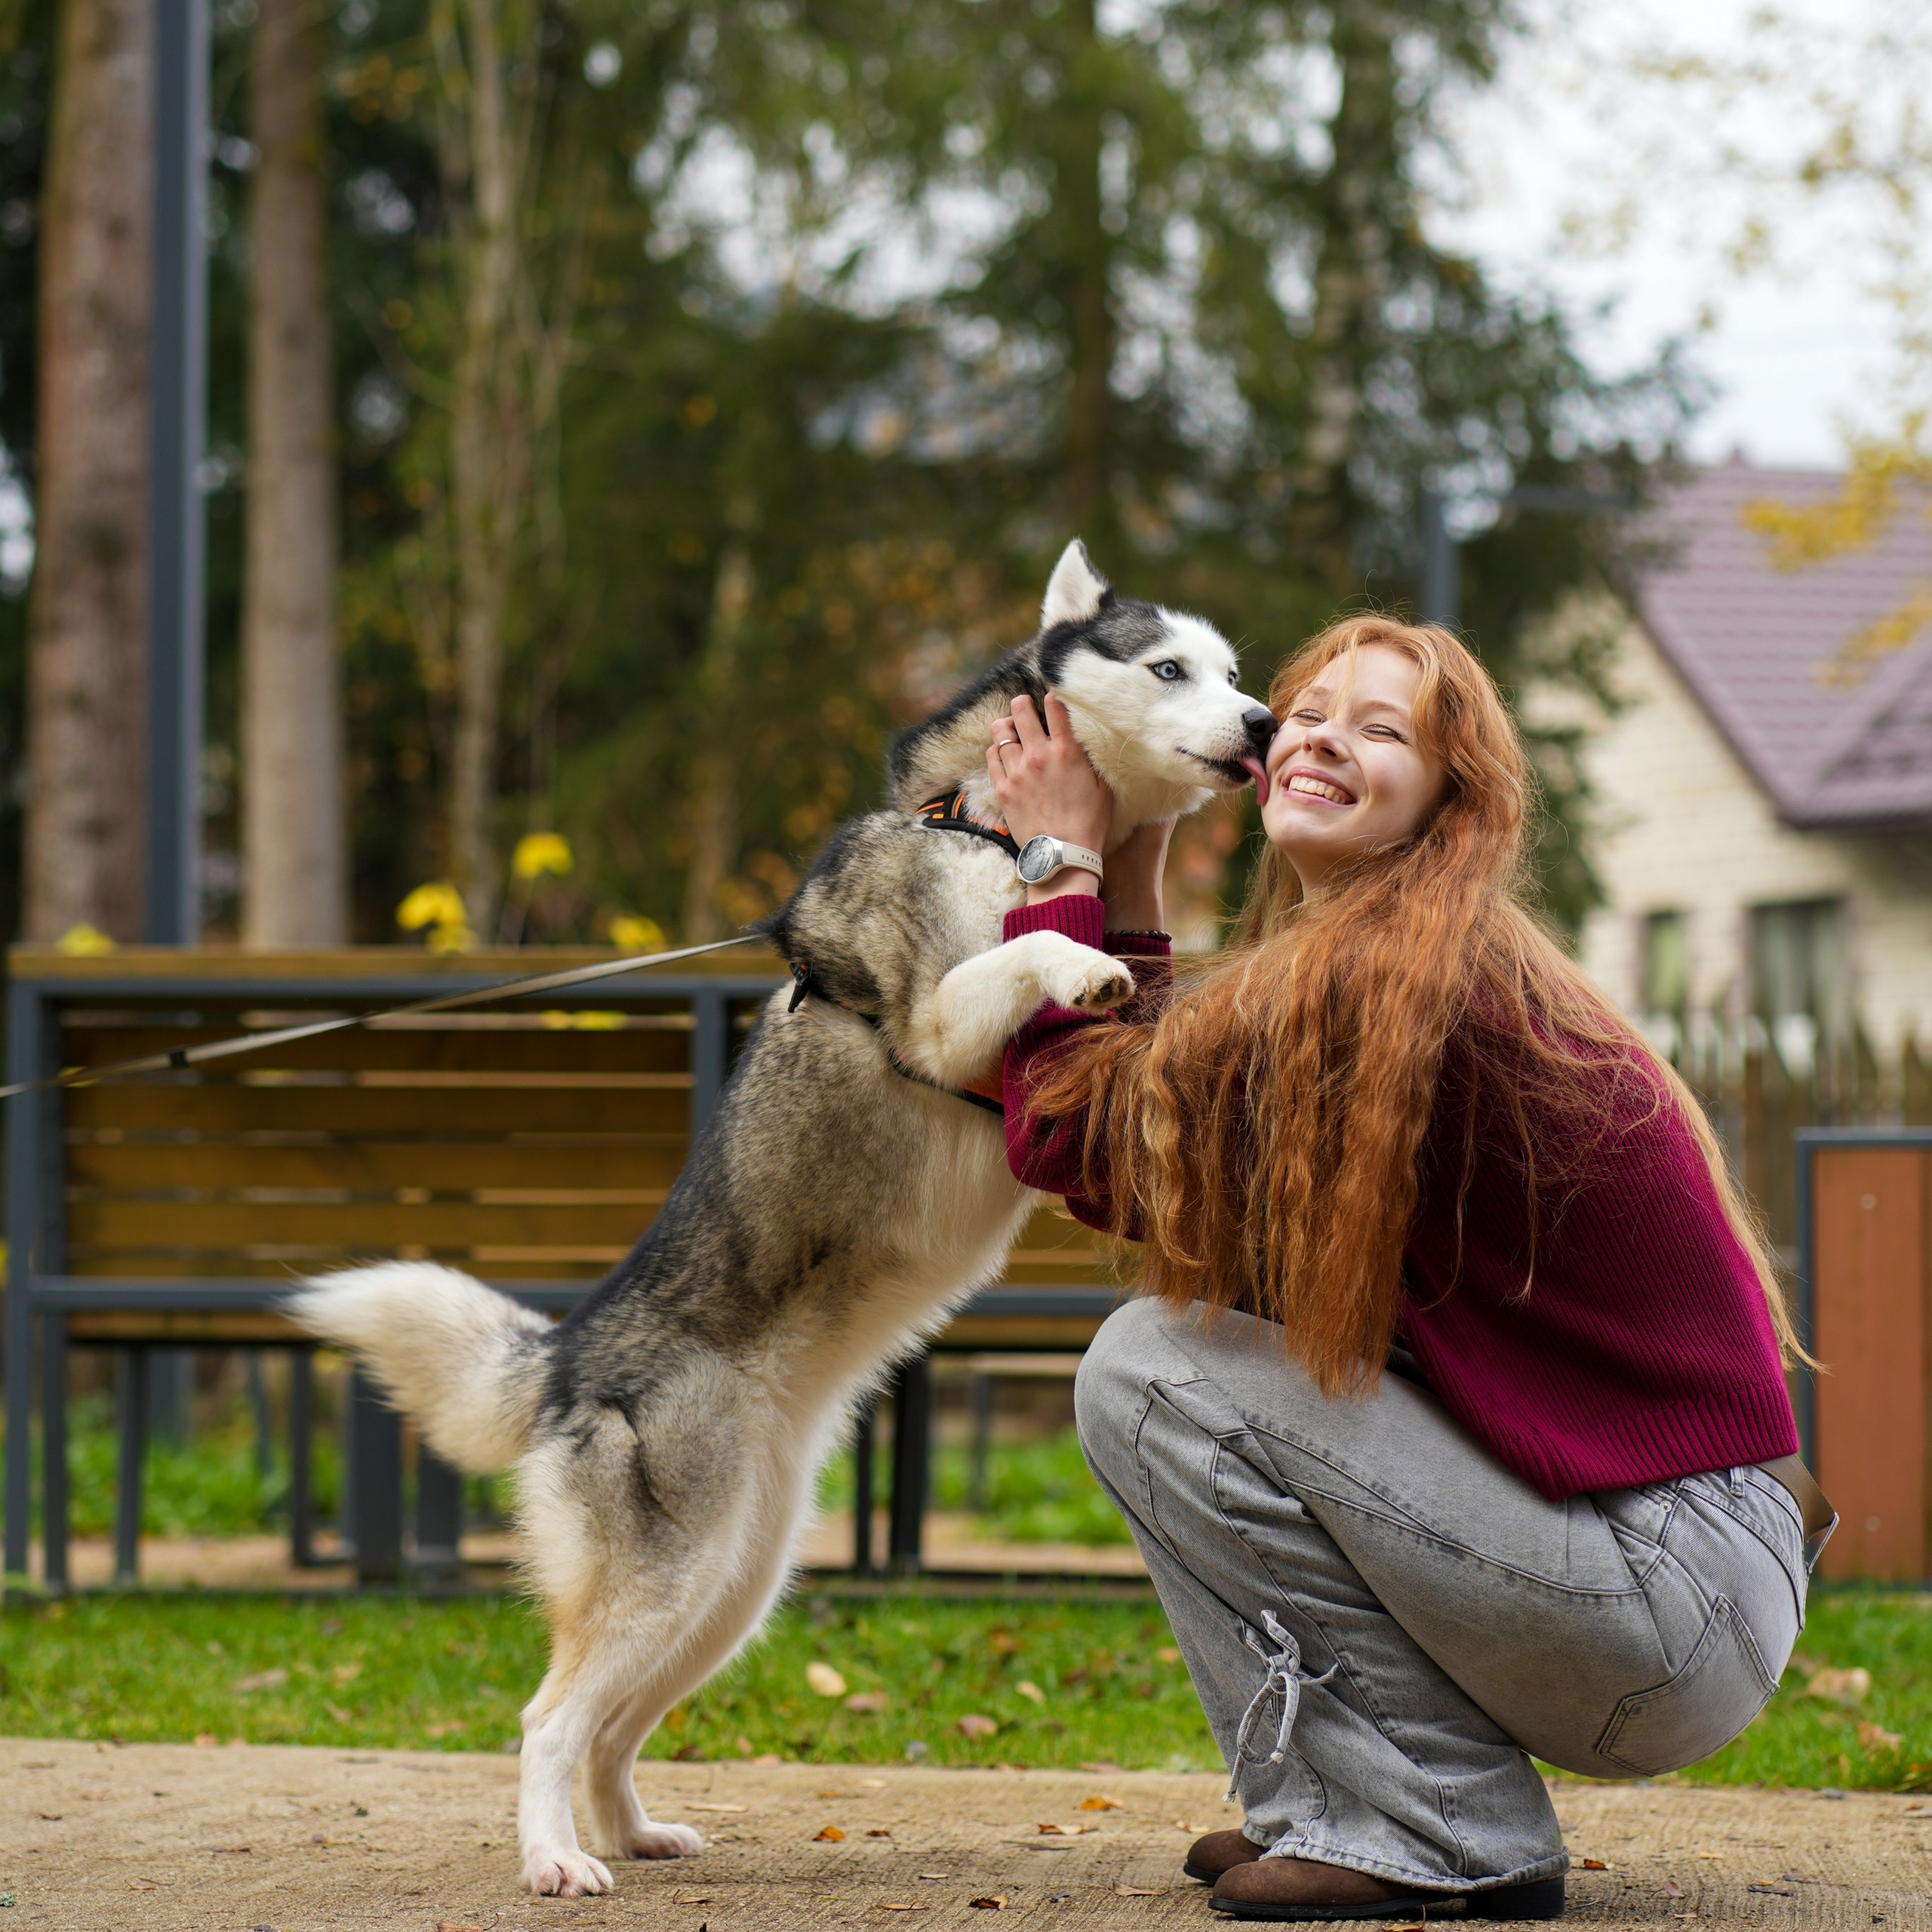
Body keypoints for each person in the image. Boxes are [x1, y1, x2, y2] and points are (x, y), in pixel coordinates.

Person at [979, 616, 1833, 1925]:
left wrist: (1057, 856)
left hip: (1669, 1593)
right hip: (1684, 1581)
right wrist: (1138, 854)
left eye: (1382, 729)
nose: (1322, 735)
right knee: (1210, 1341)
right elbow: (1157, 1138)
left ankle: (1433, 1822)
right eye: (1308, 711)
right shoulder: (1409, 961)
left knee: (1155, 1372)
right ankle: (1350, 1800)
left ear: (1451, 802)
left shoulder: (1388, 980)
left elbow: (1070, 1133)